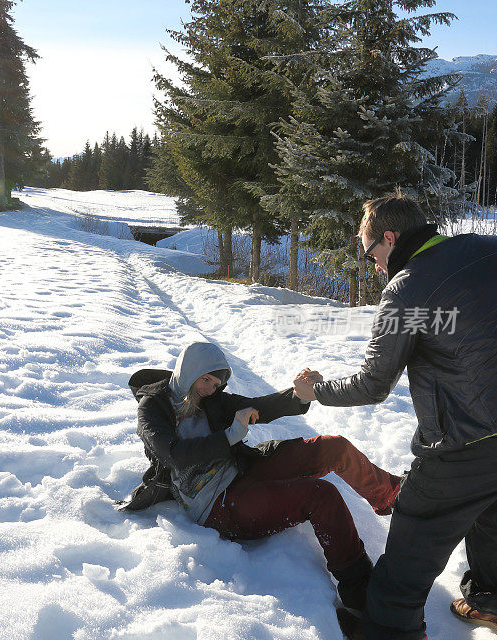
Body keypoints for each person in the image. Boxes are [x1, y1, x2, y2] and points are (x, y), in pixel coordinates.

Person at [293, 194, 497, 639]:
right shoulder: (486, 249)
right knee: (491, 513)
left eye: (372, 255)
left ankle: (389, 631)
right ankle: (489, 601)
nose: (375, 267)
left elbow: (373, 385)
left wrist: (315, 390)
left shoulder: (408, 288)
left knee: (409, 550)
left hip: (462, 446)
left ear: (390, 237)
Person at [122, 340, 401, 613]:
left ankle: (392, 495)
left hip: (243, 470)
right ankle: (361, 591)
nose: (208, 390)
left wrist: (299, 395)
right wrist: (229, 436)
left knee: (333, 447)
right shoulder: (152, 407)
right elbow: (173, 454)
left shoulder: (212, 401)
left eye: (215, 385)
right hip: (216, 504)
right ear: (188, 371)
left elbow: (258, 407)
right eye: (204, 380)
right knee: (321, 494)